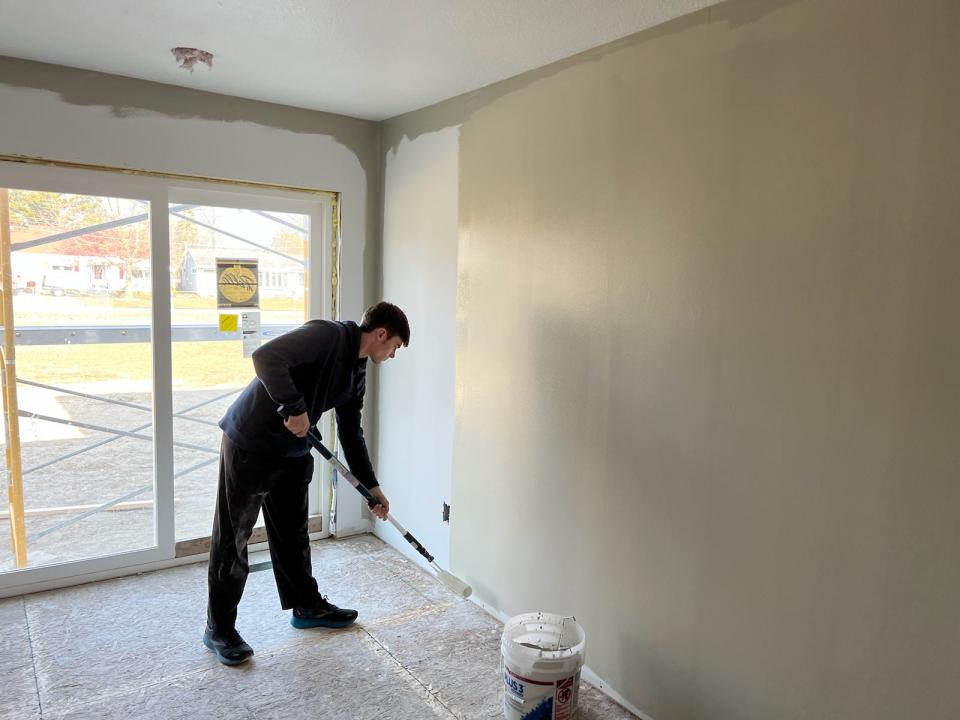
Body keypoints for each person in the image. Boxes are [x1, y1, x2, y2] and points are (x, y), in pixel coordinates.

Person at [203, 301, 410, 665]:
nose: (392, 355)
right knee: (233, 536)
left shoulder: (357, 371)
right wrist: (294, 407)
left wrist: (371, 485)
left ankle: (307, 606)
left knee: (293, 534)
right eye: (394, 346)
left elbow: (350, 431)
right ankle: (219, 628)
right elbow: (266, 357)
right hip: (251, 442)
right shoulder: (327, 335)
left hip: (293, 450)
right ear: (381, 334)